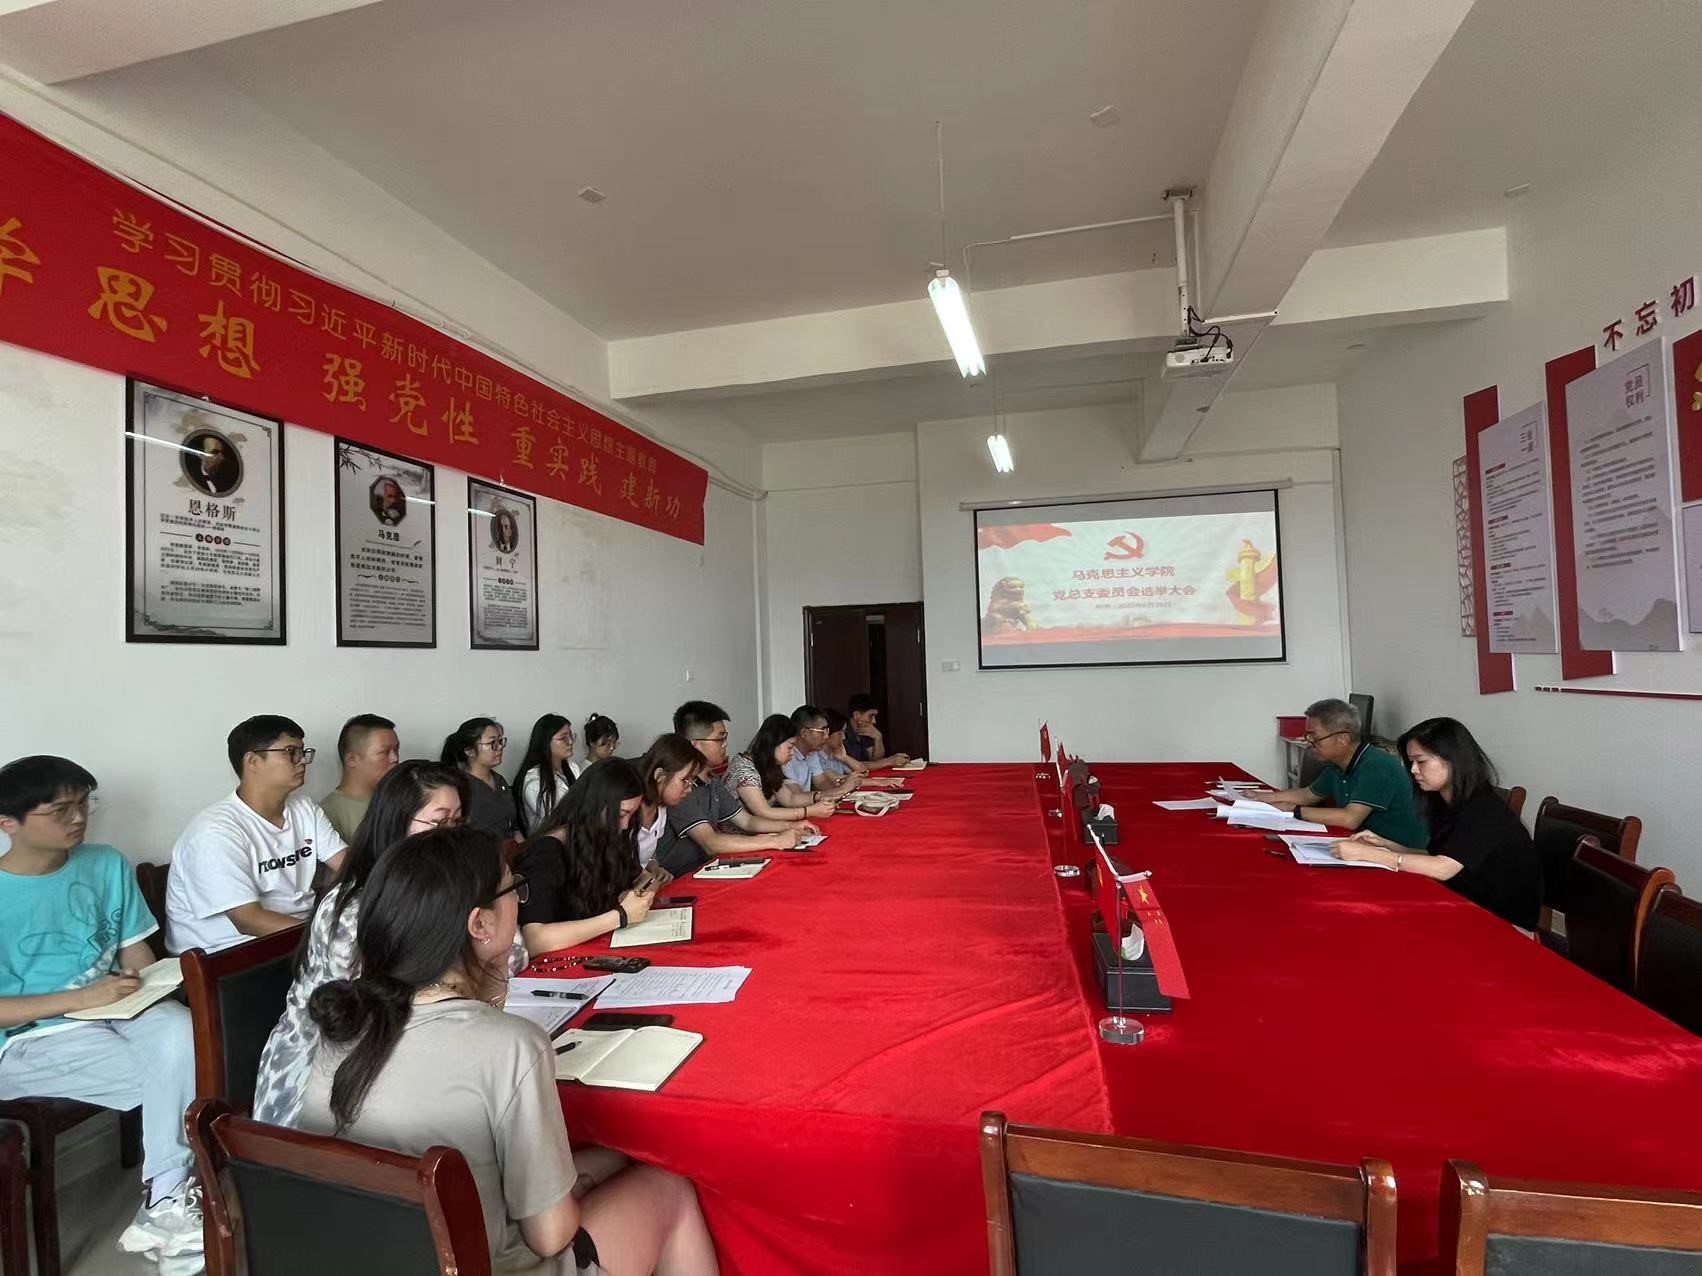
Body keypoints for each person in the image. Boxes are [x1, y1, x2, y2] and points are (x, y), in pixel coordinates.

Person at [297, 826, 717, 1275]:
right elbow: (550, 1234)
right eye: (513, 888)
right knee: (669, 1190)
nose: (520, 899)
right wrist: (602, 1166)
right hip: (481, 1265)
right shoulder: (512, 1046)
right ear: (479, 924)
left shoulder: (343, 1027)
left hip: (376, 1258)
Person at [0, 756, 206, 1271]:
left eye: (84, 804)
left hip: (115, 1008)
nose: (78, 818)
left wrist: (150, 981)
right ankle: (172, 1200)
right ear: (8, 823)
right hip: (29, 1037)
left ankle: (164, 1205)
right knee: (189, 1073)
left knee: (184, 1033)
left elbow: (136, 953)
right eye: (60, 810)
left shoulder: (105, 863)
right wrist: (83, 999)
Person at [1332, 718, 1543, 930]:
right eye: (1411, 762)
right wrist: (1387, 845)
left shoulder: (1483, 808)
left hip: (1503, 923)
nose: (1413, 770)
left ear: (1453, 760)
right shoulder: (1446, 802)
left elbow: (1443, 868)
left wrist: (1372, 855)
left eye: (1421, 761)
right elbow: (1443, 856)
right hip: (1463, 903)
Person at [166, 715, 348, 955]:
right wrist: (329, 939)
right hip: (230, 956)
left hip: (295, 940)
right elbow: (248, 920)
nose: (302, 760)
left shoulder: (304, 809)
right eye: (291, 752)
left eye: (303, 752)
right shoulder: (214, 831)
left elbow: (350, 866)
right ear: (252, 761)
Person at [513, 759, 659, 955]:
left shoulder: (605, 836)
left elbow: (646, 878)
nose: (625, 826)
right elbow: (535, 940)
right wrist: (621, 915)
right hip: (561, 958)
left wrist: (635, 895)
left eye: (631, 816)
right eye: (620, 814)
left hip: (599, 946)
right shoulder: (548, 851)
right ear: (594, 805)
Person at [655, 701, 817, 875]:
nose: (725, 744)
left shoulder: (712, 779)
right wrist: (775, 841)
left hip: (709, 867)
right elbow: (710, 843)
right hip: (681, 876)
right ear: (696, 745)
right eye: (720, 739)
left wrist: (790, 827)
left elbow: (747, 821)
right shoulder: (681, 787)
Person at [1248, 698, 1427, 846]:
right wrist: (1260, 797)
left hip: (1400, 852)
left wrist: (1293, 810)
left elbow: (1350, 819)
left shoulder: (1377, 765)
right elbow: (1307, 795)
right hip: (1367, 844)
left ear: (1342, 739)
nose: (1309, 742)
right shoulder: (1337, 764)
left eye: (1315, 737)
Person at [725, 715, 841, 824]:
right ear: (773, 744)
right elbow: (764, 812)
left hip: (766, 830)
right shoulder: (744, 770)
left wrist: (818, 797)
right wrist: (810, 811)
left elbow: (790, 798)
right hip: (741, 835)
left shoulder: (769, 765)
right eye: (790, 747)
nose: (792, 753)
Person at [319, 713, 401, 843]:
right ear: (352, 759)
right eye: (384, 752)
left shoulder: (401, 800)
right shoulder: (328, 813)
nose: (395, 758)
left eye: (396, 750)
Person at [635, 735, 709, 867]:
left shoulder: (660, 809)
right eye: (685, 780)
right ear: (660, 776)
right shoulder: (628, 811)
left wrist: (654, 866)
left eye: (692, 781)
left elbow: (648, 852)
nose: (689, 789)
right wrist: (643, 876)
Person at [443, 717, 516, 840]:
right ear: (469, 750)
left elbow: (513, 827)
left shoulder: (500, 780)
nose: (499, 747)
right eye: (492, 743)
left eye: (500, 741)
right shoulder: (460, 786)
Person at [515, 714, 577, 835]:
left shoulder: (573, 767)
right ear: (545, 742)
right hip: (546, 840)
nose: (570, 742)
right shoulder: (533, 780)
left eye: (571, 736)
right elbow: (558, 821)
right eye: (564, 738)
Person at [782, 705, 859, 799]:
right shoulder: (786, 756)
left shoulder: (811, 752)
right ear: (804, 733)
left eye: (827, 731)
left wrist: (839, 790)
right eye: (822, 731)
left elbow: (821, 782)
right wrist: (841, 789)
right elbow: (796, 796)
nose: (826, 737)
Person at [845, 693, 910, 770]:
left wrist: (878, 737)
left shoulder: (865, 731)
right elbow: (852, 765)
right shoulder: (841, 734)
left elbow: (876, 761)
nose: (874, 721)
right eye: (870, 716)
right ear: (856, 715)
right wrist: (888, 761)